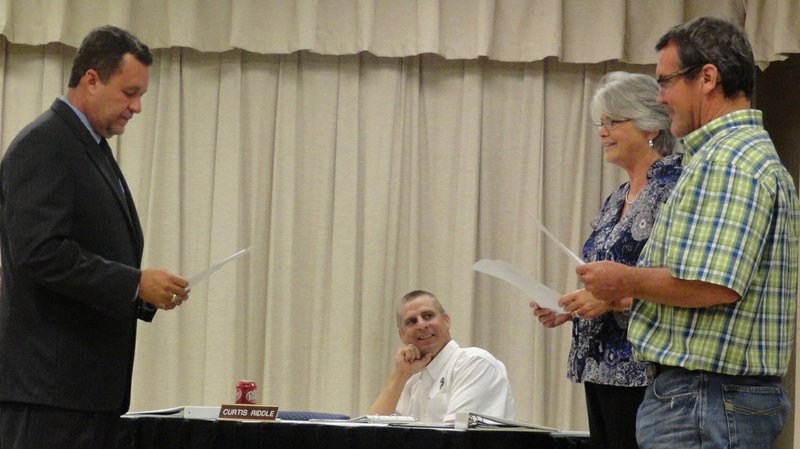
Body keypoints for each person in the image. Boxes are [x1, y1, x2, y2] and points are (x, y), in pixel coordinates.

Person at [576, 16, 799, 449]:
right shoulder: (721, 158)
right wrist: (628, 295)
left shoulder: (730, 162)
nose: (661, 98)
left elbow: (714, 283)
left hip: (705, 400)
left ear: (708, 78)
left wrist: (624, 280)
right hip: (705, 399)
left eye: (665, 83)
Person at [0, 25, 190, 449]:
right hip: (48, 399)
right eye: (129, 92)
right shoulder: (45, 144)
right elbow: (39, 253)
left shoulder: (89, 147)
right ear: (91, 79)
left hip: (82, 395)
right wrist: (134, 282)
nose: (137, 107)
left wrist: (141, 293)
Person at [531, 71, 681, 449]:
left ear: (650, 125)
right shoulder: (617, 197)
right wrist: (573, 305)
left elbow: (685, 283)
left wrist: (609, 300)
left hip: (648, 372)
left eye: (614, 121)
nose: (603, 131)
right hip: (600, 367)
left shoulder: (676, 188)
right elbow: (608, 279)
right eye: (602, 122)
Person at [369, 290, 515, 422]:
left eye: (428, 316)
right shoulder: (412, 383)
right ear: (402, 335)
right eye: (411, 321)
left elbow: (454, 439)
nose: (421, 325)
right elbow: (370, 435)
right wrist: (400, 375)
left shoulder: (474, 363)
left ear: (446, 321)